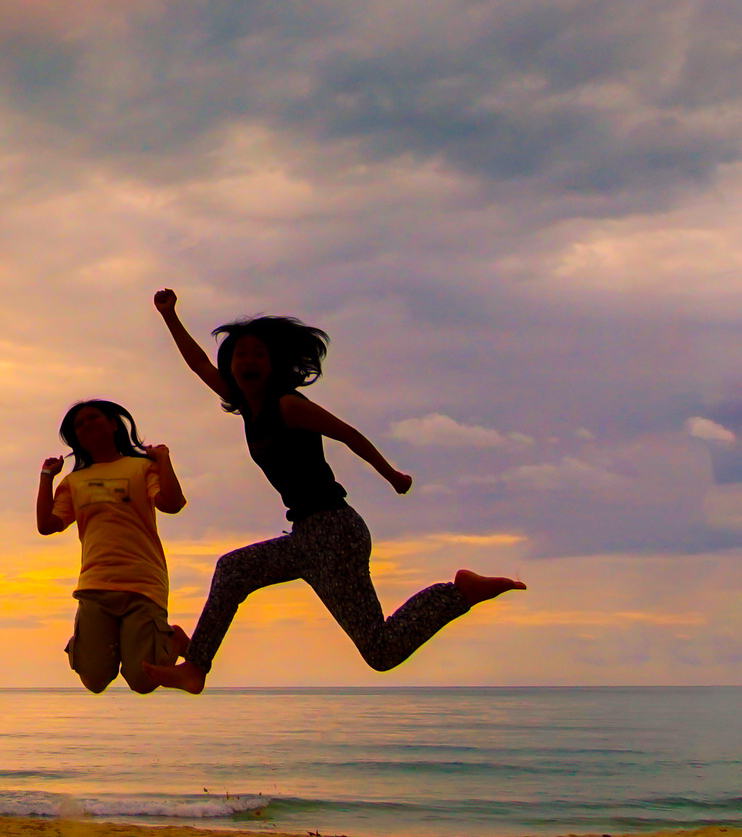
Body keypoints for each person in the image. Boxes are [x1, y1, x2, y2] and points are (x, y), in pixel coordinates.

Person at [146, 292, 525, 689]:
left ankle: (459, 593)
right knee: (234, 571)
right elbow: (198, 364)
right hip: (308, 536)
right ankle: (196, 666)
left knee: (379, 651)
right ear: (231, 364)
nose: (248, 361)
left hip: (334, 532)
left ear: (274, 364)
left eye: (259, 354)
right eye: (241, 354)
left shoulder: (288, 406)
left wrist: (391, 474)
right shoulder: (244, 404)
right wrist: (170, 316)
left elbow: (348, 435)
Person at [35, 398, 197, 694]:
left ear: (113, 424)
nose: (86, 426)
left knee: (143, 681)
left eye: (93, 418)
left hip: (143, 583)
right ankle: (89, 644)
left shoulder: (141, 467)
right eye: (79, 425)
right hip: (95, 584)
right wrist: (47, 477)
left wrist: (163, 459)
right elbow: (46, 525)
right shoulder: (74, 481)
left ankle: (172, 639)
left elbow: (172, 504)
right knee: (94, 680)